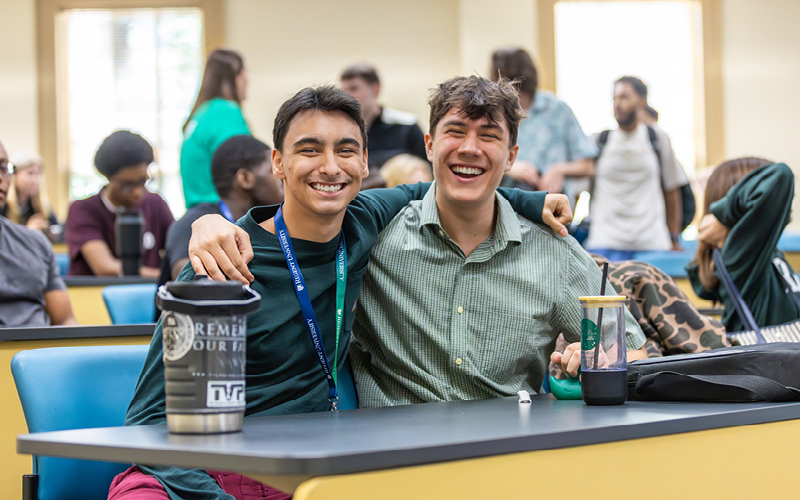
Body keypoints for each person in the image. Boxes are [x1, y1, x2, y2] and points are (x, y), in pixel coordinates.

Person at [111, 84, 569, 500]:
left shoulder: (364, 220)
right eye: (309, 150)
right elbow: (148, 424)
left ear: (365, 163)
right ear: (278, 163)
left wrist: (531, 201)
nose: (330, 166)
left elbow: (449, 184)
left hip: (298, 472)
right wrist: (201, 220)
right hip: (197, 474)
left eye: (345, 150)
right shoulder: (224, 266)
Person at [188, 76, 646, 409]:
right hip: (394, 466)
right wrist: (211, 222)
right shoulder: (373, 235)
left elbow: (630, 350)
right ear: (429, 145)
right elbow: (302, 223)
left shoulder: (554, 248)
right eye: (455, 133)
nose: (470, 148)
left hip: (512, 459)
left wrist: (586, 358)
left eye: (489, 137)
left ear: (511, 157)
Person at [687, 158, 797, 332]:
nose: (786, 198)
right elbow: (780, 175)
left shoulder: (763, 251)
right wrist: (724, 218)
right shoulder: (742, 254)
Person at [584, 76, 687, 262]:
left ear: (642, 101)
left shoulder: (656, 138)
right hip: (605, 242)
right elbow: (578, 187)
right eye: (614, 98)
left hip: (652, 242)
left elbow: (672, 190)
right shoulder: (599, 142)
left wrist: (674, 237)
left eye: (624, 97)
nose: (617, 104)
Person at [159, 135, 283, 287]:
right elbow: (189, 282)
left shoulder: (270, 223)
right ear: (245, 178)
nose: (281, 176)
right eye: (271, 169)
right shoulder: (195, 223)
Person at [489, 48, 597, 202]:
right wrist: (508, 168)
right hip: (506, 206)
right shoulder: (493, 114)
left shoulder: (558, 110)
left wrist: (559, 170)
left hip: (553, 207)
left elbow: (587, 166)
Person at [65, 130, 174, 277]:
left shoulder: (155, 204)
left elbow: (180, 247)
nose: (137, 192)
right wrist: (168, 276)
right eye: (127, 185)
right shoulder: (83, 210)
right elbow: (106, 268)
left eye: (143, 182)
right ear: (108, 179)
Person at [0, 140, 77, 327]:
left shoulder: (36, 243)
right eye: (29, 174)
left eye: (3, 168)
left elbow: (66, 321)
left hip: (39, 351)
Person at [180, 49, 251, 209]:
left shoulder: (202, 113)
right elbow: (246, 166)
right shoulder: (225, 112)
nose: (248, 80)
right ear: (234, 77)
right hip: (219, 211)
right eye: (245, 73)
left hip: (196, 212)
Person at [340, 63, 428, 187]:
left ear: (375, 89)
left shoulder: (407, 125)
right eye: (344, 90)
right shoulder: (341, 132)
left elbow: (427, 170)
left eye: (354, 89)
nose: (347, 96)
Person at [0, 152, 60, 240]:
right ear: (14, 175)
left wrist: (49, 232)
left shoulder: (42, 207)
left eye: (38, 174)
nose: (35, 180)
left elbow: (56, 229)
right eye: (30, 174)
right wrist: (27, 232)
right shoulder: (3, 205)